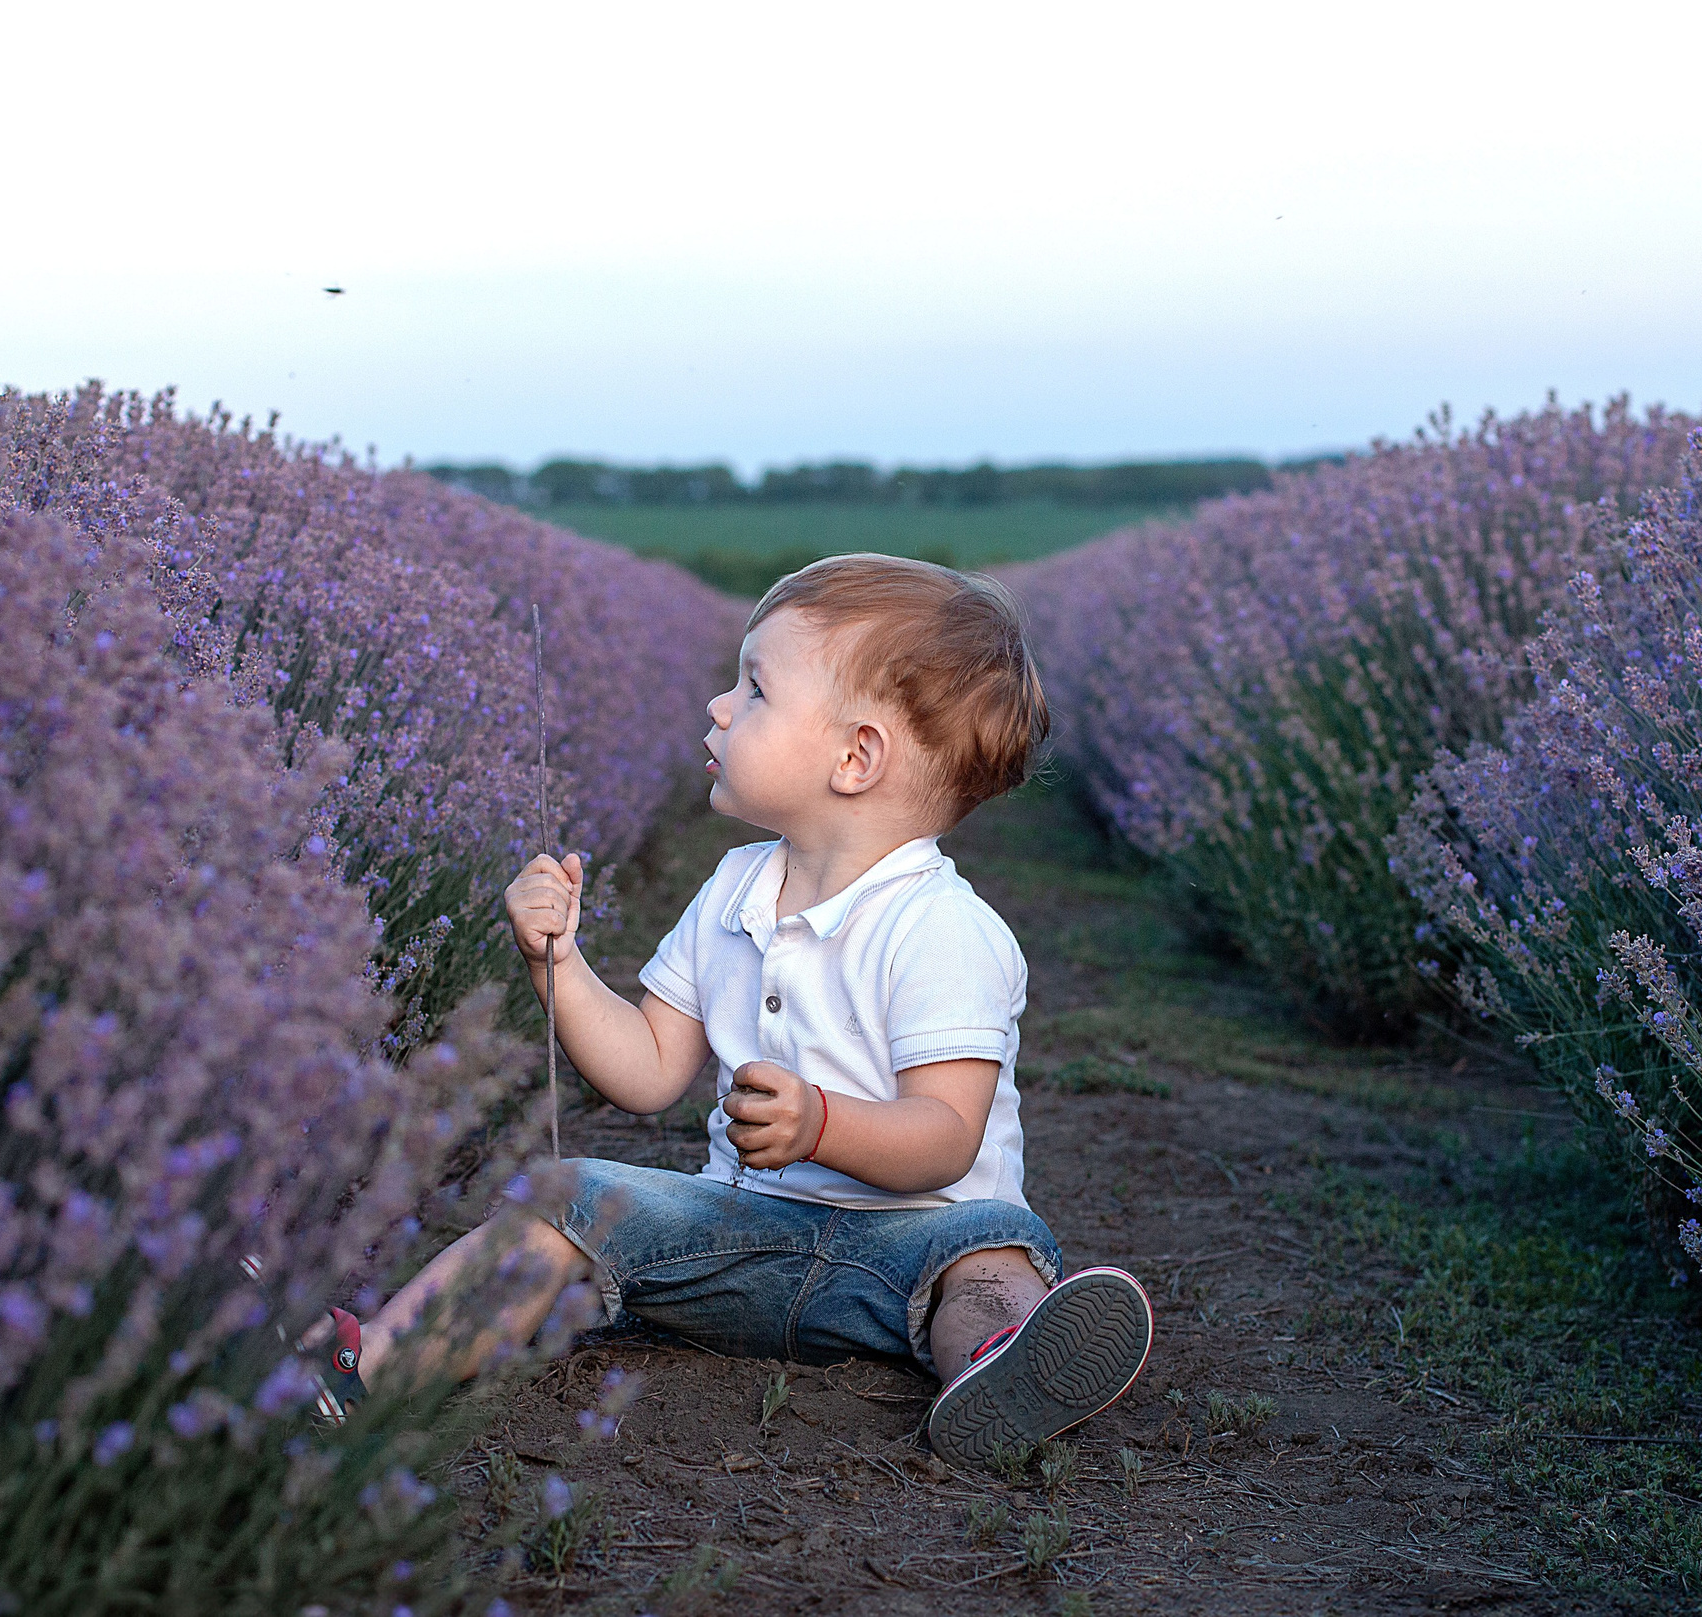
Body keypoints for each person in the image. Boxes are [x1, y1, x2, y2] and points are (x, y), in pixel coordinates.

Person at [300, 553, 1152, 1468]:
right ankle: (369, 1368)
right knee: (563, 1194)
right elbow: (646, 1069)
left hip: (915, 1250)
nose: (718, 706)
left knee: (993, 1255)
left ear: (855, 758)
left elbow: (947, 1136)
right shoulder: (733, 890)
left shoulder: (944, 928)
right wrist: (559, 964)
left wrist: (819, 1124)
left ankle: (995, 1366)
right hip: (740, 1240)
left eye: (754, 688)